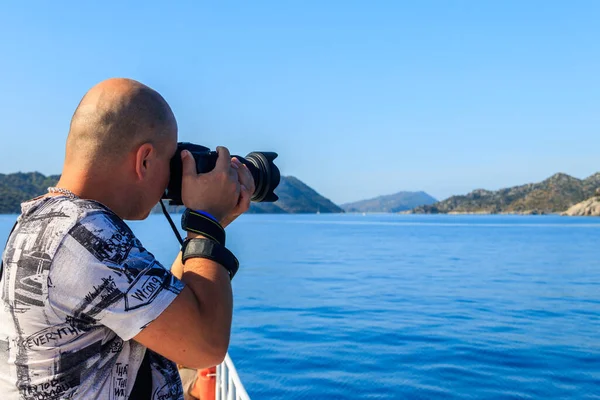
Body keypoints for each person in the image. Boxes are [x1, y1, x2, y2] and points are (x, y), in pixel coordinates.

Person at [0, 78, 255, 399]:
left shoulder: (46, 220)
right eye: (169, 162)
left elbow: (162, 306)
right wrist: (206, 224)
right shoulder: (85, 233)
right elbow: (205, 346)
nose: (169, 180)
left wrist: (213, 222)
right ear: (145, 160)